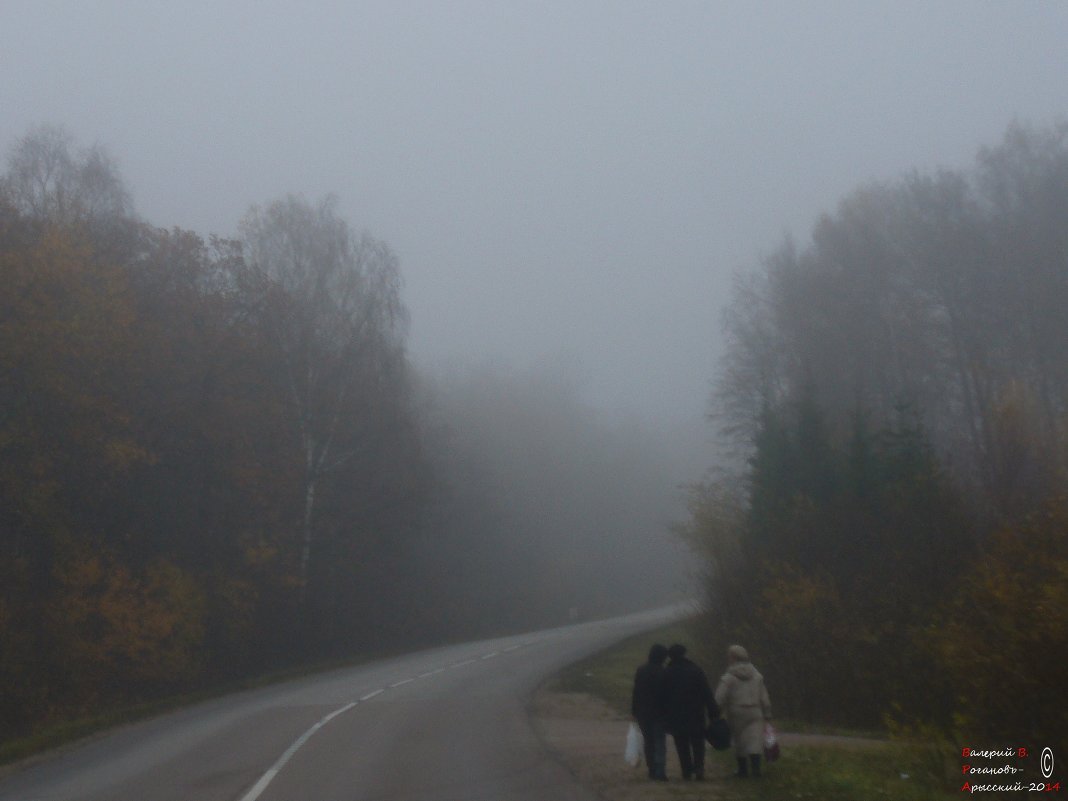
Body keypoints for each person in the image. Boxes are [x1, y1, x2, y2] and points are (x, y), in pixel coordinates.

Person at [714, 644, 772, 778]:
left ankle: (742, 770)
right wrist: (768, 713)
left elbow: (719, 698)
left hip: (736, 711)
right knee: (755, 739)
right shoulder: (757, 676)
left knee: (740, 740)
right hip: (756, 711)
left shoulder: (729, 677)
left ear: (733, 657)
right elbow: (764, 697)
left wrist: (716, 712)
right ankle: (756, 770)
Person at [662, 643, 718, 781]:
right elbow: (706, 692)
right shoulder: (696, 670)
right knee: (698, 742)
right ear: (684, 654)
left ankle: (686, 770)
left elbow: (662, 695)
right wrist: (713, 711)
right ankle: (699, 768)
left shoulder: (667, 672)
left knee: (681, 743)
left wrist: (663, 713)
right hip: (695, 712)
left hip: (675, 714)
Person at [630, 643, 668, 780]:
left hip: (643, 712)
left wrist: (634, 710)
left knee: (649, 741)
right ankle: (660, 771)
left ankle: (651, 769)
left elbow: (636, 692)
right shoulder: (663, 672)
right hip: (659, 712)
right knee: (659, 741)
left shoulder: (641, 670)